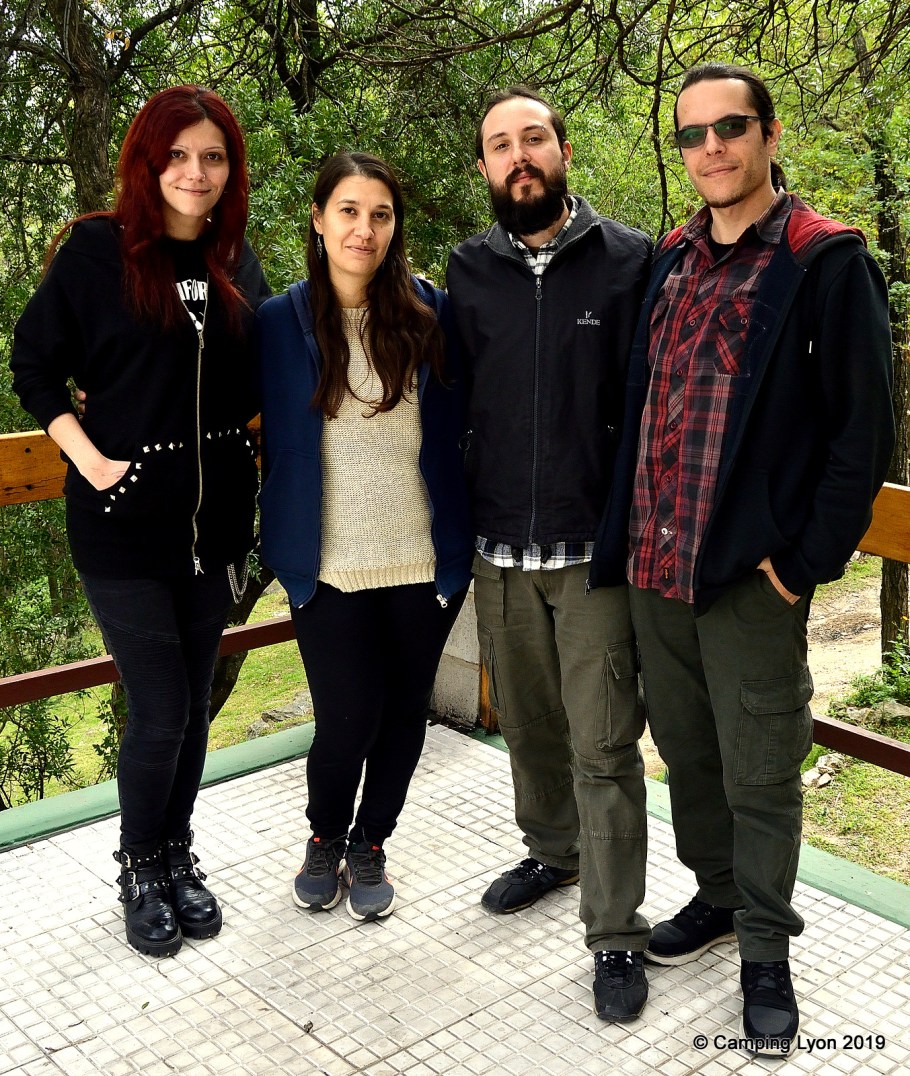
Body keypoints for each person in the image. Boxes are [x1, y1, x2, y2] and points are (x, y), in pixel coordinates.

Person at [590, 63, 895, 1053]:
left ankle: (766, 948)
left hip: (749, 580)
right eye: (692, 134)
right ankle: (719, 898)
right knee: (688, 756)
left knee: (761, 771)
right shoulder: (672, 259)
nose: (710, 147)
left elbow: (862, 437)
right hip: (657, 568)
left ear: (768, 133)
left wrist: (802, 565)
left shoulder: (823, 262)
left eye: (729, 127)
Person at [11, 86, 270, 958]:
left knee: (192, 707)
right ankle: (139, 866)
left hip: (217, 528)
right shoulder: (98, 251)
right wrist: (90, 461)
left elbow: (263, 372)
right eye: (178, 156)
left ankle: (177, 852)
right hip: (123, 525)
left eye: (213, 157)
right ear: (148, 163)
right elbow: (34, 364)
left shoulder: (236, 259)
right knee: (159, 710)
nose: (196, 172)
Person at [446, 87, 654, 1021]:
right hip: (497, 554)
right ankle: (553, 852)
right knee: (529, 729)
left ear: (563, 150)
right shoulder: (468, 272)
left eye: (534, 138)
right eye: (501, 145)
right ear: (485, 167)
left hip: (591, 557)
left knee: (603, 746)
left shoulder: (630, 262)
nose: (519, 155)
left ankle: (614, 934)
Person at [256, 152, 474, 922]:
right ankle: (324, 836)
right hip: (327, 565)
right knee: (346, 720)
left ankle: (370, 841)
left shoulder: (433, 314)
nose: (364, 229)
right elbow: (205, 387)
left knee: (404, 716)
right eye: (348, 211)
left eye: (380, 215)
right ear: (319, 219)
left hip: (424, 559)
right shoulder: (278, 322)